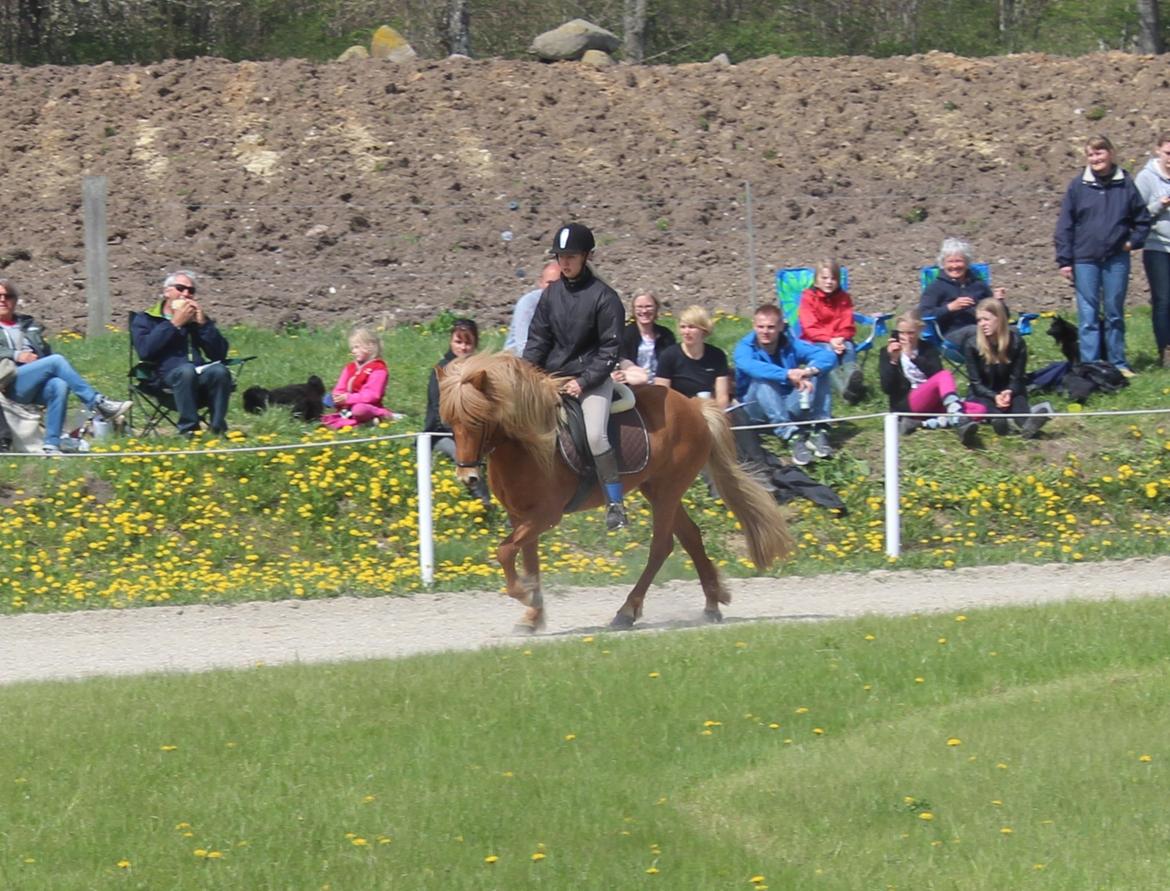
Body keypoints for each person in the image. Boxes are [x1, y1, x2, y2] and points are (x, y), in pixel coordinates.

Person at [522, 222, 627, 530]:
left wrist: (583, 381)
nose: (564, 262)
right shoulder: (550, 295)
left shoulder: (605, 297)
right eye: (560, 256)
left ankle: (615, 503)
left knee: (595, 434)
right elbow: (537, 340)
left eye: (570, 256)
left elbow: (610, 350)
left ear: (586, 256)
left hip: (591, 379)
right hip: (552, 378)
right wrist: (525, 375)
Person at [1054, 134, 1151, 375]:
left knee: (1114, 312)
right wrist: (1065, 260)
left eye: (1099, 153)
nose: (1095, 158)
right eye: (1091, 154)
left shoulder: (1125, 184)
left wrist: (1131, 244)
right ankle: (1090, 365)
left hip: (1116, 259)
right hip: (1084, 260)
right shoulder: (1078, 186)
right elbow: (1065, 225)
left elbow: (1142, 220)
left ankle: (1118, 363)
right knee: (1087, 315)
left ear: (1110, 153)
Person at [0, 278, 130, 455]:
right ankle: (98, 403)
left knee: (59, 385)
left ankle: (52, 445)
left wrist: (39, 362)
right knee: (56, 360)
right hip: (7, 381)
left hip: (30, 382)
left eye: (7, 296)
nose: (3, 300)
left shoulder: (28, 325)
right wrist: (17, 355)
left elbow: (45, 352)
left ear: (15, 300)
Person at [131, 269, 232, 436]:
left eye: (191, 291)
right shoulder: (146, 319)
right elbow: (145, 351)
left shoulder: (196, 320)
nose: (186, 294)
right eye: (180, 288)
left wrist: (203, 325)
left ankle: (217, 429)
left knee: (219, 371)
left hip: (199, 375)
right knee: (186, 371)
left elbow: (219, 354)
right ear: (167, 292)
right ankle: (189, 430)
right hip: (164, 378)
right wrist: (174, 324)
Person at [733, 303, 835, 466]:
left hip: (787, 403)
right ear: (754, 325)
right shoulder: (745, 347)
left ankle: (819, 428)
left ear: (780, 326)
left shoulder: (790, 344)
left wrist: (808, 371)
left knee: (820, 373)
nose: (765, 331)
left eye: (771, 327)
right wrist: (787, 374)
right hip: (755, 410)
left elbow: (827, 356)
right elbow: (748, 365)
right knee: (762, 380)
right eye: (760, 327)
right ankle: (792, 436)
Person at [879, 311, 985, 445]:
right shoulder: (887, 352)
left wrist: (914, 357)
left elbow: (935, 375)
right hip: (908, 403)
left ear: (919, 330)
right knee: (946, 375)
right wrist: (893, 361)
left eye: (911, 333)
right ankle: (957, 419)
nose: (906, 337)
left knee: (980, 410)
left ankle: (923, 424)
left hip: (933, 402)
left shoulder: (928, 348)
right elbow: (887, 387)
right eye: (902, 333)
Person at [425, 318, 491, 508]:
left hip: (475, 431)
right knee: (461, 454)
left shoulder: (480, 370)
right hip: (442, 433)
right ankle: (482, 500)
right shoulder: (441, 371)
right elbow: (439, 413)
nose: (463, 347)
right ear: (451, 342)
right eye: (458, 341)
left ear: (475, 344)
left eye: (468, 342)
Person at [965, 298, 1051, 438]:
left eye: (986, 319)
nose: (982, 324)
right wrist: (994, 396)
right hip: (983, 392)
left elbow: (1018, 377)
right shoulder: (971, 345)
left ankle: (1028, 426)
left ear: (999, 319)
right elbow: (976, 383)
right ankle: (1001, 424)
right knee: (990, 408)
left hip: (1010, 390)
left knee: (1019, 404)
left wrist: (1009, 392)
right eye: (979, 320)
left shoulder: (1017, 342)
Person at [917, 237, 1006, 350]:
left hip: (984, 329)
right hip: (951, 336)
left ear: (967, 263)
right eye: (950, 261)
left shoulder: (979, 285)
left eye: (958, 261)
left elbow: (1003, 316)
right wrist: (950, 308)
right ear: (943, 264)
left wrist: (999, 302)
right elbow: (923, 315)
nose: (954, 266)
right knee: (975, 332)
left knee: (1013, 332)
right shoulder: (935, 287)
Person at [797, 258, 866, 404]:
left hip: (840, 339)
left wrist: (841, 338)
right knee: (828, 352)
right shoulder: (808, 297)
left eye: (833, 278)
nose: (829, 282)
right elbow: (810, 328)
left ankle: (852, 381)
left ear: (838, 280)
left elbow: (848, 324)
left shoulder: (843, 298)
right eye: (824, 278)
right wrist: (830, 339)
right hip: (815, 341)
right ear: (816, 280)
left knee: (848, 347)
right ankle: (845, 393)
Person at [1135, 131, 1170, 368]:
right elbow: (1137, 214)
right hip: (1157, 247)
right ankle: (1165, 350)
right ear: (1158, 150)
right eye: (1168, 153)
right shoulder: (1147, 178)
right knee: (1164, 300)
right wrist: (1161, 204)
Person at [654, 305, 730, 408]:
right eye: (683, 327)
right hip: (679, 410)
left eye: (691, 327)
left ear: (703, 330)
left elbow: (722, 397)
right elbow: (661, 395)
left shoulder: (717, 356)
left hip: (709, 410)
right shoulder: (669, 355)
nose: (686, 332)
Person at [320, 326, 396, 429]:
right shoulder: (350, 368)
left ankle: (382, 414)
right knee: (326, 400)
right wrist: (337, 396)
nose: (353, 351)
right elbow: (340, 386)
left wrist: (349, 398)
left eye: (357, 347)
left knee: (359, 409)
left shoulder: (378, 368)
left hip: (367, 405)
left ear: (369, 346)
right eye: (352, 348)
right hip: (346, 407)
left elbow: (373, 395)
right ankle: (364, 422)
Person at [613, 291, 676, 386]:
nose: (644, 311)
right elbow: (622, 360)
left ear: (656, 308)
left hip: (661, 385)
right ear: (633, 310)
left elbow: (672, 362)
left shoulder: (666, 335)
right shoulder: (624, 333)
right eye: (639, 307)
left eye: (648, 306)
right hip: (633, 386)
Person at [504, 261, 561, 356]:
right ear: (541, 283)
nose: (553, 288)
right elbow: (523, 347)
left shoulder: (566, 303)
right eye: (549, 283)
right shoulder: (528, 304)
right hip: (517, 361)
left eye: (558, 283)